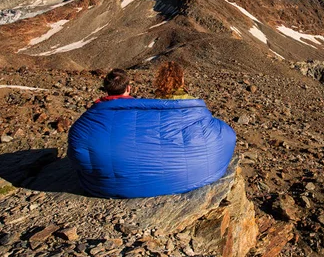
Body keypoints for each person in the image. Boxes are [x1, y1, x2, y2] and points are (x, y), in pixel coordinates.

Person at [68, 65, 236, 198]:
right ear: (129, 88)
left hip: (102, 186)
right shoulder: (144, 110)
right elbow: (227, 136)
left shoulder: (85, 123)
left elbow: (78, 155)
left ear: (106, 89)